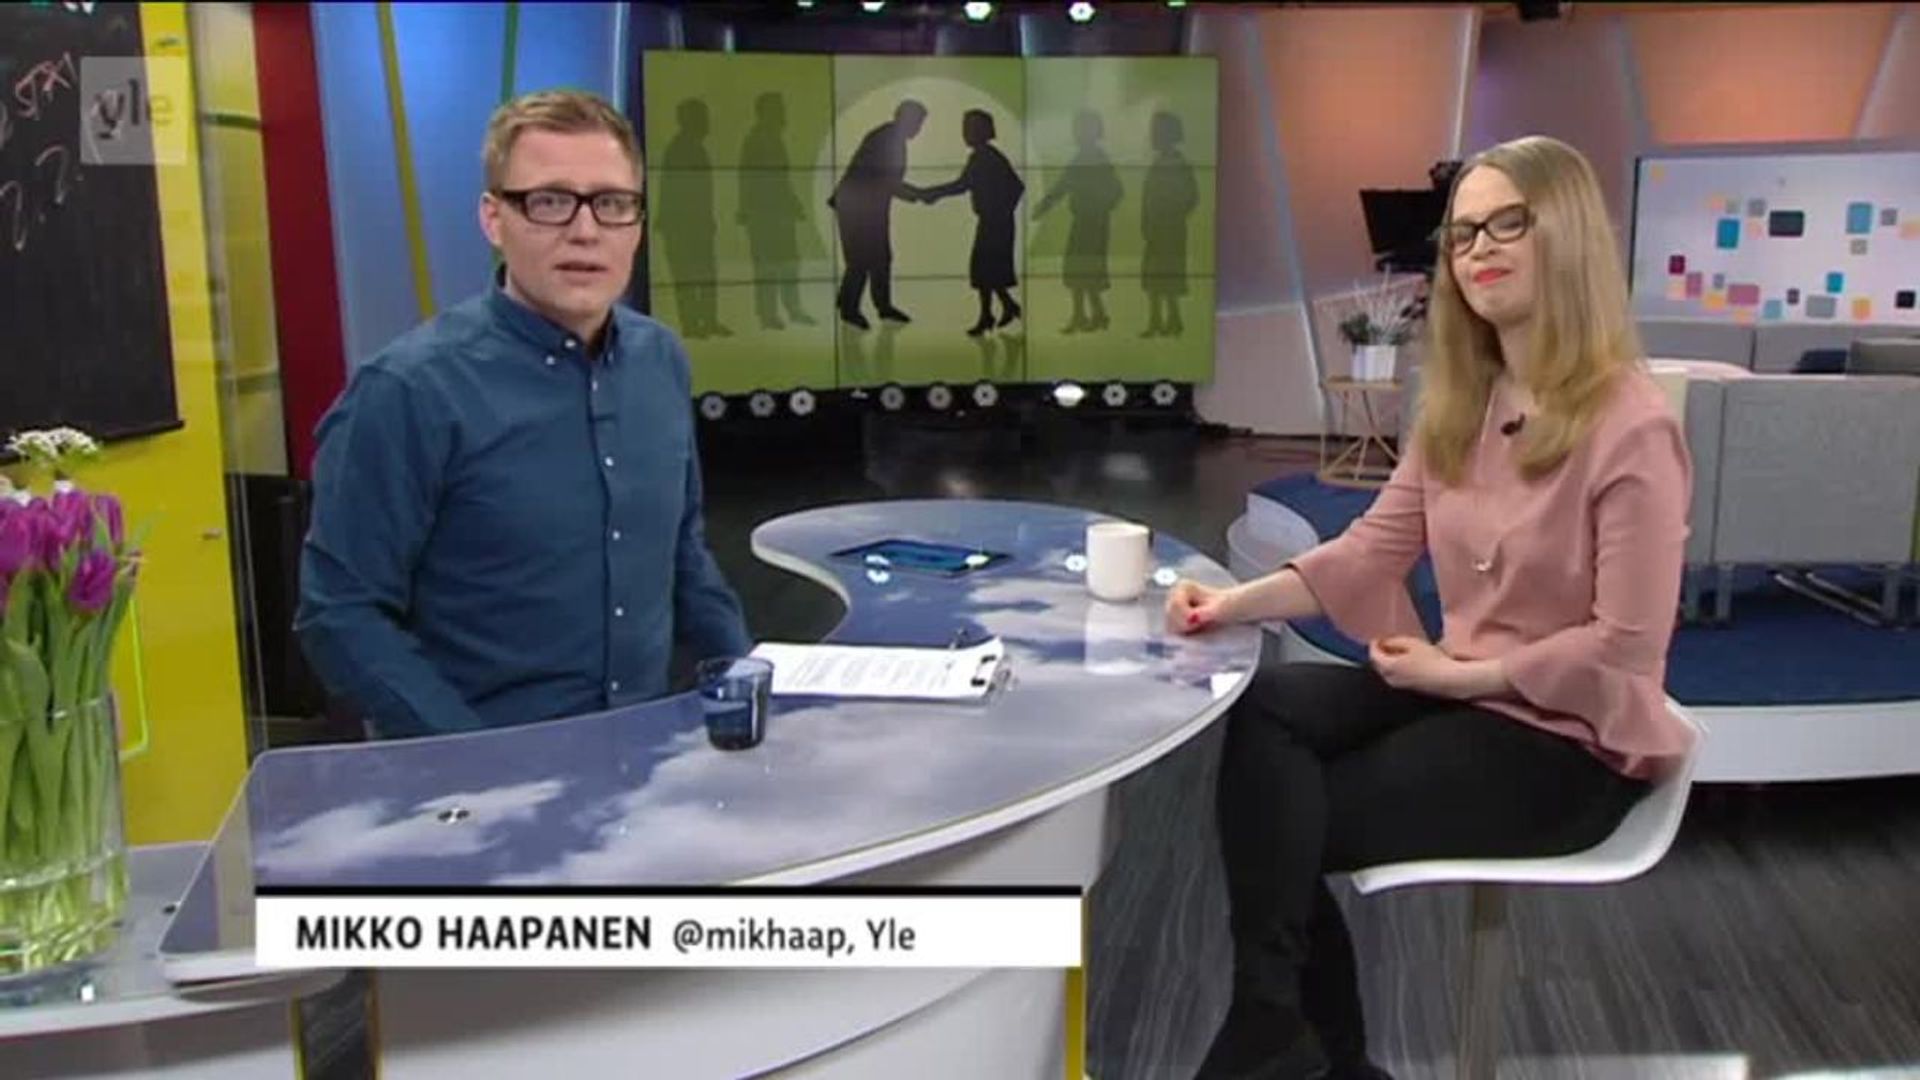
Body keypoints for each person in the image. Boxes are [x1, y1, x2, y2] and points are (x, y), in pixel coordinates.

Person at [1166, 135, 1694, 1079]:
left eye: (1506, 224)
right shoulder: (1463, 403)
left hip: (1567, 740)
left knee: (1283, 822)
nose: (1477, 249)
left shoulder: (1632, 426)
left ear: (1566, 234)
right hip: (1463, 690)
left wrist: (1464, 676)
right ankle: (1280, 1024)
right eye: (1461, 235)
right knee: (1269, 712)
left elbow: (1624, 649)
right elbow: (1370, 551)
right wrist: (1232, 602)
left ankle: (1294, 1043)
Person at [297, 89, 751, 739]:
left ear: (637, 223)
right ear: (494, 218)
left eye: (612, 203)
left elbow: (683, 553)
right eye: (550, 201)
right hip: (480, 774)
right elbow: (340, 612)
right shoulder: (408, 391)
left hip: (648, 761)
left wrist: (749, 678)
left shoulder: (661, 361)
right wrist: (481, 762)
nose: (586, 231)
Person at [921, 108, 1025, 336]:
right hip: (994, 222)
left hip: (994, 223)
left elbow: (962, 185)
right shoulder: (987, 156)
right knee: (986, 269)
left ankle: (993, 313)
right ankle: (1002, 308)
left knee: (985, 268)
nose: (965, 133)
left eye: (970, 129)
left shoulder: (985, 157)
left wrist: (932, 193)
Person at [830, 100, 929, 330]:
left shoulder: (890, 137)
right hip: (858, 207)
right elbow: (888, 181)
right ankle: (850, 309)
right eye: (917, 122)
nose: (918, 128)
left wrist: (915, 194)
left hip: (868, 207)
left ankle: (876, 305)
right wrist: (919, 194)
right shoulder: (888, 139)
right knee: (861, 258)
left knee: (879, 257)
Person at [1034, 109, 1121, 334]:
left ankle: (1088, 315)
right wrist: (1044, 206)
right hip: (1086, 221)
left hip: (1092, 222)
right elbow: (1064, 185)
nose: (1077, 132)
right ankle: (1089, 315)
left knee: (1083, 269)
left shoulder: (1095, 158)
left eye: (1082, 128)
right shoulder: (1085, 158)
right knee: (1080, 269)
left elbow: (1114, 190)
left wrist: (1099, 207)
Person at [736, 91, 815, 331]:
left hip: (781, 215)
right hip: (764, 216)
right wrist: (747, 209)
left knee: (789, 263)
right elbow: (748, 179)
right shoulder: (756, 140)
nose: (783, 115)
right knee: (767, 266)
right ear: (766, 112)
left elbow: (782, 179)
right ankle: (768, 314)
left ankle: (792, 309)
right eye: (778, 109)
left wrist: (793, 204)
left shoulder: (773, 139)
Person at [658, 98, 729, 339]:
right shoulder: (679, 149)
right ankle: (691, 325)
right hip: (681, 226)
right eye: (702, 118)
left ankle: (708, 321)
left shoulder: (696, 148)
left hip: (700, 225)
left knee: (706, 274)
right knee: (686, 277)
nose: (707, 123)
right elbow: (671, 190)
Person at [1140, 111, 1198, 338]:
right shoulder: (1158, 164)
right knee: (1154, 275)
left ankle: (1173, 319)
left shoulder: (1179, 165)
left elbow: (1191, 196)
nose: (1152, 137)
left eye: (1156, 132)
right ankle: (1157, 320)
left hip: (1171, 229)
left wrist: (1173, 213)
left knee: (1168, 274)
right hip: (1156, 229)